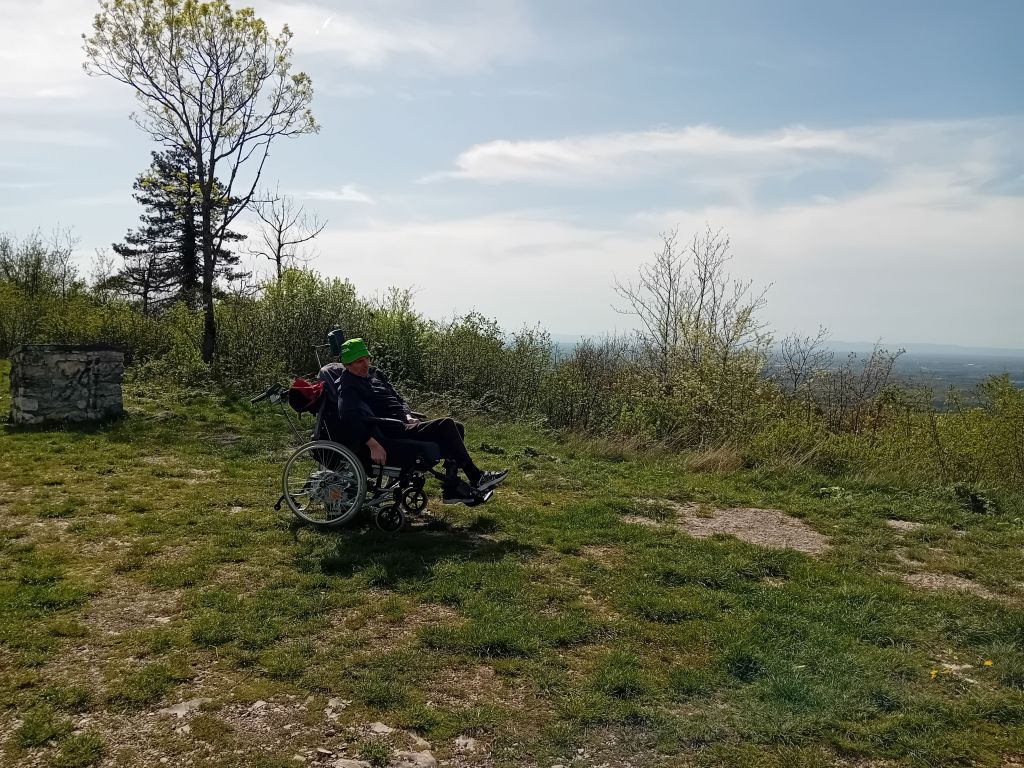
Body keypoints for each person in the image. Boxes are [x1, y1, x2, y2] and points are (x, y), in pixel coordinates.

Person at [334, 337, 508, 505]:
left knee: (457, 427)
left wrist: (408, 415)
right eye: (359, 362)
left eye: (367, 359)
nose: (365, 365)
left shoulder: (375, 374)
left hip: (403, 422)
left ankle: (451, 489)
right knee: (446, 424)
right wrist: (372, 444)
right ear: (347, 365)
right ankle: (476, 477)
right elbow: (347, 416)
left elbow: (399, 399)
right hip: (390, 431)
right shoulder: (349, 385)